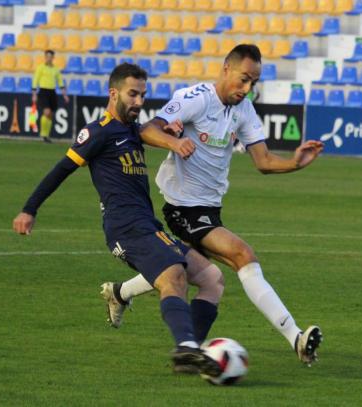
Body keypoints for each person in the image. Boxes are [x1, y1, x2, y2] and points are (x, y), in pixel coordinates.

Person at [113, 45, 325, 366]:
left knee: (188, 269)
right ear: (226, 68)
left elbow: (264, 161)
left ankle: (120, 294)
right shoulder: (196, 97)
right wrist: (174, 141)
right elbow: (147, 129)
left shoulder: (245, 111)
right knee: (243, 255)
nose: (247, 89)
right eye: (243, 80)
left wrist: (295, 163)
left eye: (253, 83)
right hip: (183, 208)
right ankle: (295, 336)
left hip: (209, 208)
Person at [13, 63, 224, 376]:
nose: (139, 101)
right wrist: (30, 209)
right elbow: (62, 169)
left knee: (212, 279)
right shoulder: (98, 132)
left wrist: (173, 133)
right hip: (125, 227)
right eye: (132, 94)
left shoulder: (132, 130)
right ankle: (187, 349)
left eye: (142, 95)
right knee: (174, 277)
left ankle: (189, 347)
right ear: (114, 94)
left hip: (149, 225)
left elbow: (156, 132)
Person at [32, 50, 69, 143]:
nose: (48, 58)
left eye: (50, 56)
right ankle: (43, 134)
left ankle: (46, 136)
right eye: (47, 56)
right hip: (43, 91)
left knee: (50, 115)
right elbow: (35, 80)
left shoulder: (56, 69)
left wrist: (65, 95)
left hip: (52, 92)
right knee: (47, 112)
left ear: (53, 58)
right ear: (45, 57)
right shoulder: (41, 67)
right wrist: (34, 94)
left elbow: (60, 82)